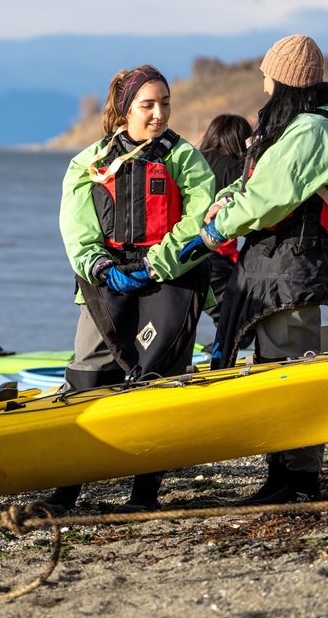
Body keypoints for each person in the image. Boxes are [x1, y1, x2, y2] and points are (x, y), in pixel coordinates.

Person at [179, 35, 328, 505]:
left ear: (286, 81)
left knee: (292, 369)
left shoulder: (315, 131)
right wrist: (225, 200)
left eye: (268, 76)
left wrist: (215, 232)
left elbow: (271, 197)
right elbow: (255, 185)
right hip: (272, 263)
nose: (263, 85)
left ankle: (299, 482)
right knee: (271, 367)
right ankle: (279, 474)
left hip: (296, 266)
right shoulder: (294, 125)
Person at [48, 65, 215, 513]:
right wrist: (100, 266)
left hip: (171, 281)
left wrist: (155, 265)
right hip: (107, 284)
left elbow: (199, 222)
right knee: (86, 376)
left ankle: (144, 496)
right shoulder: (88, 163)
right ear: (124, 110)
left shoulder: (185, 159)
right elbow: (76, 229)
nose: (159, 114)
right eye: (147, 105)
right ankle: (67, 491)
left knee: (160, 385)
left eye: (165, 103)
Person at [197, 114, 251, 344]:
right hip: (216, 255)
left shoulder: (194, 161)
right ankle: (220, 361)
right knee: (239, 325)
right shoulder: (236, 169)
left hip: (182, 250)